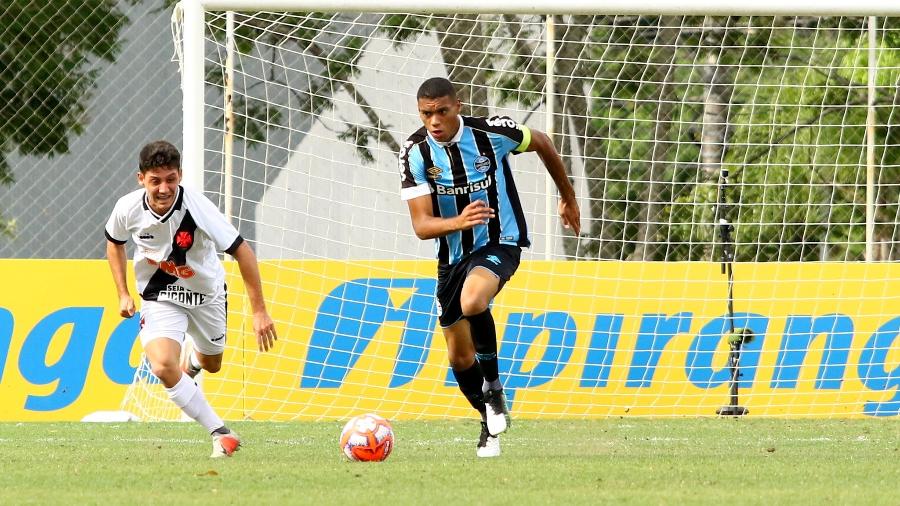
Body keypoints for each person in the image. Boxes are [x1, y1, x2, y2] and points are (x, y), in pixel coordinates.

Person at [399, 77, 581, 458]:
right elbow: (421, 226)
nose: (434, 121)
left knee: (474, 301)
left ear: (458, 106)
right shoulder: (414, 152)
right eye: (426, 113)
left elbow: (544, 142)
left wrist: (567, 197)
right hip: (451, 257)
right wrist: (458, 223)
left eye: (442, 112)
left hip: (501, 242)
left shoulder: (492, 132)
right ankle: (488, 421)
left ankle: (494, 387)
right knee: (458, 357)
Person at [105, 140, 277, 458]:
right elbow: (114, 243)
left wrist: (259, 312)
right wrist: (123, 293)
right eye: (155, 180)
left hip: (207, 294)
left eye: (170, 179)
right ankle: (221, 433)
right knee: (162, 365)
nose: (164, 188)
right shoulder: (127, 208)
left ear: (180, 175)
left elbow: (243, 251)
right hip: (160, 296)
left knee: (212, 364)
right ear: (140, 178)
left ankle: (195, 361)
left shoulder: (197, 207)